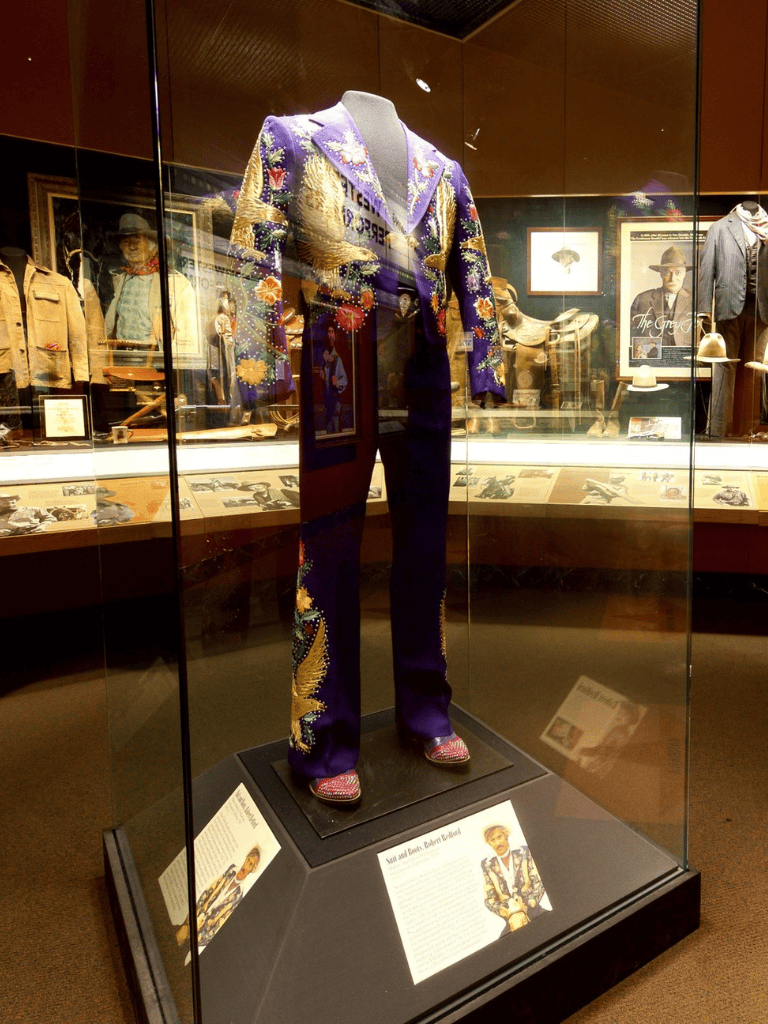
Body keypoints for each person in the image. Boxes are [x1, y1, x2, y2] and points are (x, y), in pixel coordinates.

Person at [105, 213, 199, 367]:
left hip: (156, 363)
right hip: (122, 361)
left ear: (153, 247)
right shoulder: (118, 280)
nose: (132, 247)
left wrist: (174, 368)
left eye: (138, 241)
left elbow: (186, 335)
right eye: (126, 242)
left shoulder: (174, 282)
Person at [175, 846, 261, 957]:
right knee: (179, 935)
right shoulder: (231, 871)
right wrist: (195, 911)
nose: (247, 864)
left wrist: (207, 933)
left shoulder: (239, 893)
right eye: (248, 860)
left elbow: (223, 919)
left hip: (204, 930)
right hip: (198, 913)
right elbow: (210, 889)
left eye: (250, 864)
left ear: (252, 868)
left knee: (183, 953)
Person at [481, 825, 547, 936]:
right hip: (510, 916)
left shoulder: (524, 852)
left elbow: (539, 883)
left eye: (499, 837)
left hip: (533, 910)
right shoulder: (487, 864)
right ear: (489, 843)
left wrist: (525, 905)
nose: (497, 843)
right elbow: (489, 899)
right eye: (493, 840)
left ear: (506, 836)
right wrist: (508, 911)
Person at [630, 245, 694, 350]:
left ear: (684, 274)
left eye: (678, 272)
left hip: (684, 358)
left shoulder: (696, 300)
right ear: (661, 274)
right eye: (668, 272)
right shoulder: (642, 300)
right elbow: (630, 337)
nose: (673, 279)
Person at [313, 325, 348, 434]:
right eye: (328, 332)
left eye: (332, 332)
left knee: (336, 424)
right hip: (325, 401)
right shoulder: (321, 357)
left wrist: (337, 383)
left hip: (335, 400)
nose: (330, 335)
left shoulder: (338, 359)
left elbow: (345, 379)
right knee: (328, 425)